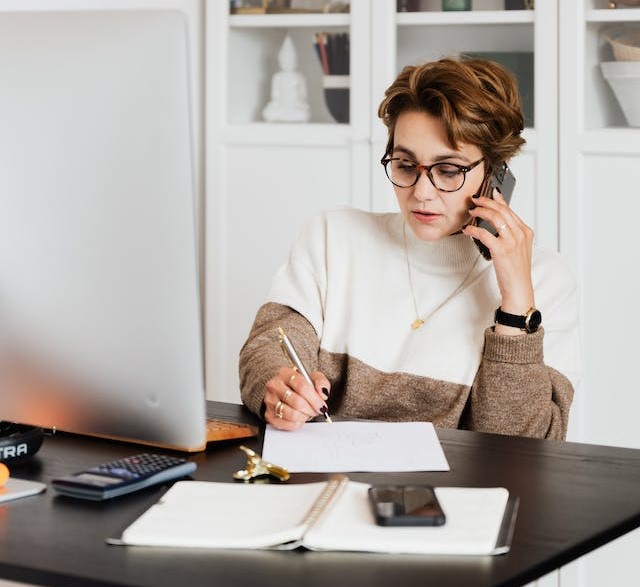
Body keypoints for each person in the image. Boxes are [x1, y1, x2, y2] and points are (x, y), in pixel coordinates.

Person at [240, 57, 580, 440]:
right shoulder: (332, 236)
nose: (421, 193)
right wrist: (280, 385)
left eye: (448, 170)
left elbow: (521, 447)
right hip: (324, 482)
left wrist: (516, 308)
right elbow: (268, 349)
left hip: (457, 497)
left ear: (497, 172)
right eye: (405, 165)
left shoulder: (546, 281)